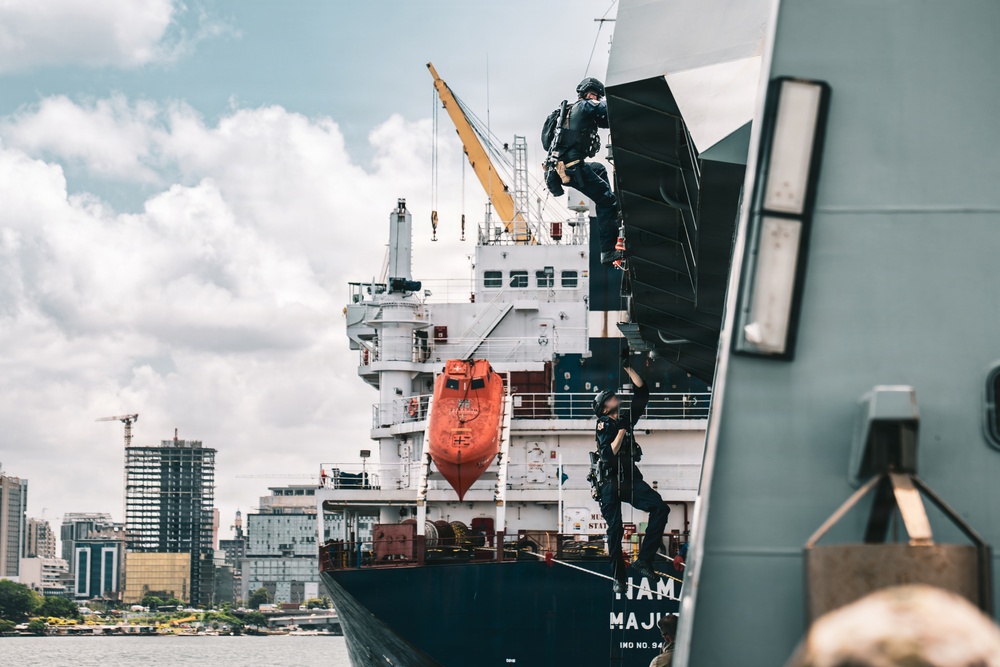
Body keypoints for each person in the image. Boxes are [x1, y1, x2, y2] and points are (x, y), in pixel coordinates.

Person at [594, 349, 671, 592]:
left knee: (660, 508)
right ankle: (619, 578)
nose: (614, 398)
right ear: (604, 409)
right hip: (610, 484)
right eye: (609, 398)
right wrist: (622, 431)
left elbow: (642, 393)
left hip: (629, 480)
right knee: (615, 530)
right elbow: (608, 454)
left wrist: (628, 366)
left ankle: (644, 560)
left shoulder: (624, 420)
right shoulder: (604, 424)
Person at [545, 77, 622, 265]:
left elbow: (605, 120)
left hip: (563, 166)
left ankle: (613, 211)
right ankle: (608, 250)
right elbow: (606, 109)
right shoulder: (585, 106)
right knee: (606, 200)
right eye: (594, 94)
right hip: (573, 167)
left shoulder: (570, 112)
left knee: (599, 169)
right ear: (587, 93)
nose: (595, 98)